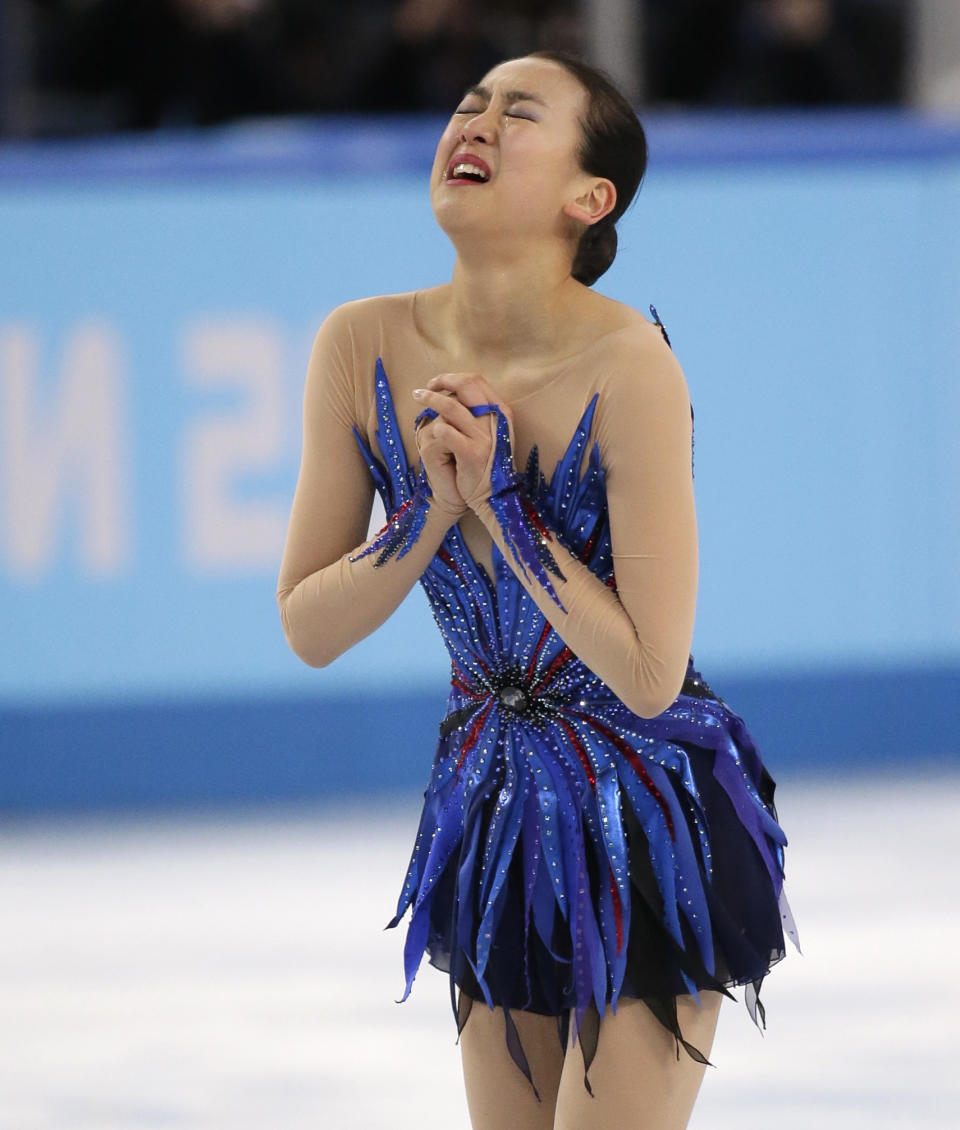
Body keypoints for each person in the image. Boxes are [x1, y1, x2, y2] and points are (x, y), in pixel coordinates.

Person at [276, 50, 800, 1130]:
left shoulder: (629, 363)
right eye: (469, 106)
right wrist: (424, 509)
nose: (475, 123)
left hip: (652, 817)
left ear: (587, 197)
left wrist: (506, 505)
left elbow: (651, 673)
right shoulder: (358, 344)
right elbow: (308, 626)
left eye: (519, 114)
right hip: (493, 810)